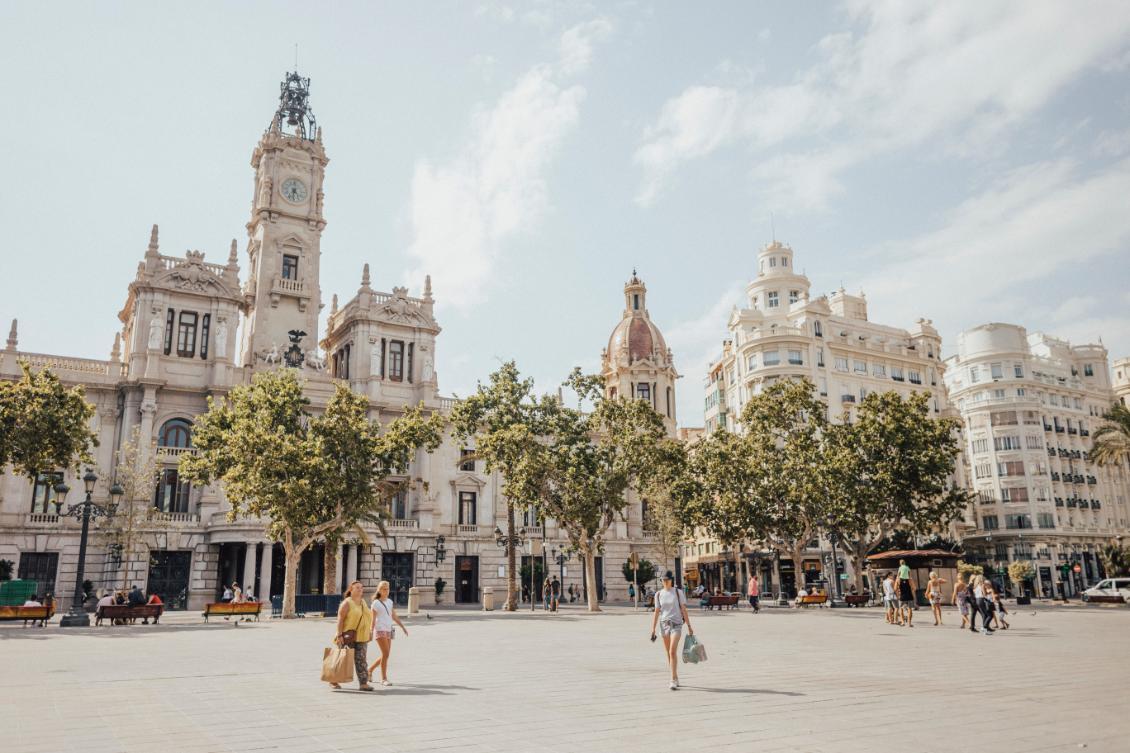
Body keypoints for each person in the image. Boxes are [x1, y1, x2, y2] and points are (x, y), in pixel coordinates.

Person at [649, 571, 694, 691]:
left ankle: (673, 680)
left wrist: (689, 626)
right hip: (664, 625)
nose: (665, 582)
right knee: (668, 653)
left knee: (672, 651)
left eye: (667, 580)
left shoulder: (678, 592)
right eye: (663, 580)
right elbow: (657, 611)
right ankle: (675, 676)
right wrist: (653, 628)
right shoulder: (658, 594)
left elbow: (684, 610)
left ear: (671, 580)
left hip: (677, 625)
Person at [332, 580, 374, 691]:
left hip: (362, 636)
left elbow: (367, 617)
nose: (360, 589)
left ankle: (363, 683)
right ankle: (333, 680)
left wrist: (370, 631)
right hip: (348, 636)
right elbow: (340, 620)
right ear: (351, 589)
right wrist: (340, 635)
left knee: (361, 659)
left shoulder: (363, 602)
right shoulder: (347, 603)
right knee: (343, 659)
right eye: (357, 588)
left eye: (361, 588)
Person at [368, 580, 409, 686]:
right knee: (385, 654)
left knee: (385, 655)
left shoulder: (390, 602)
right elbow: (372, 619)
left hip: (389, 629)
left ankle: (370, 670)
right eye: (384, 589)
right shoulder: (375, 603)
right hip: (380, 629)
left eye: (388, 589)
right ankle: (383, 679)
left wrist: (403, 627)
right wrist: (371, 631)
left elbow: (394, 616)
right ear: (379, 590)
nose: (386, 591)